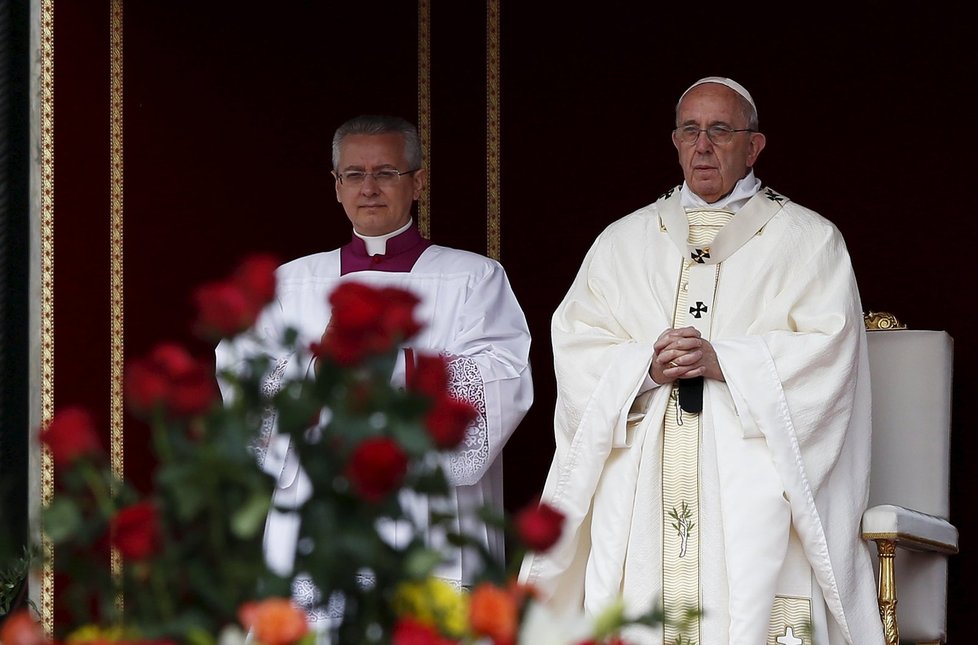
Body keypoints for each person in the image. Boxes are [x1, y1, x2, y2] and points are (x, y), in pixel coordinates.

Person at [519, 77, 885, 645]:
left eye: (720, 130)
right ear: (674, 140)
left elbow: (829, 352)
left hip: (751, 469)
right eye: (690, 131)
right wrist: (645, 367)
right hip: (644, 472)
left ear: (754, 145)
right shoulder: (624, 241)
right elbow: (576, 343)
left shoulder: (808, 241)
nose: (703, 145)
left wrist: (727, 362)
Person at [216, 114, 533, 628]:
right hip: (320, 509)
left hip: (427, 509)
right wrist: (319, 361)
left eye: (386, 173)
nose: (368, 188)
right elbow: (246, 382)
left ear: (418, 182)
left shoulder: (473, 277)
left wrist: (398, 364)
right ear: (336, 186)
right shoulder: (291, 283)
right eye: (353, 175)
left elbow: (504, 379)